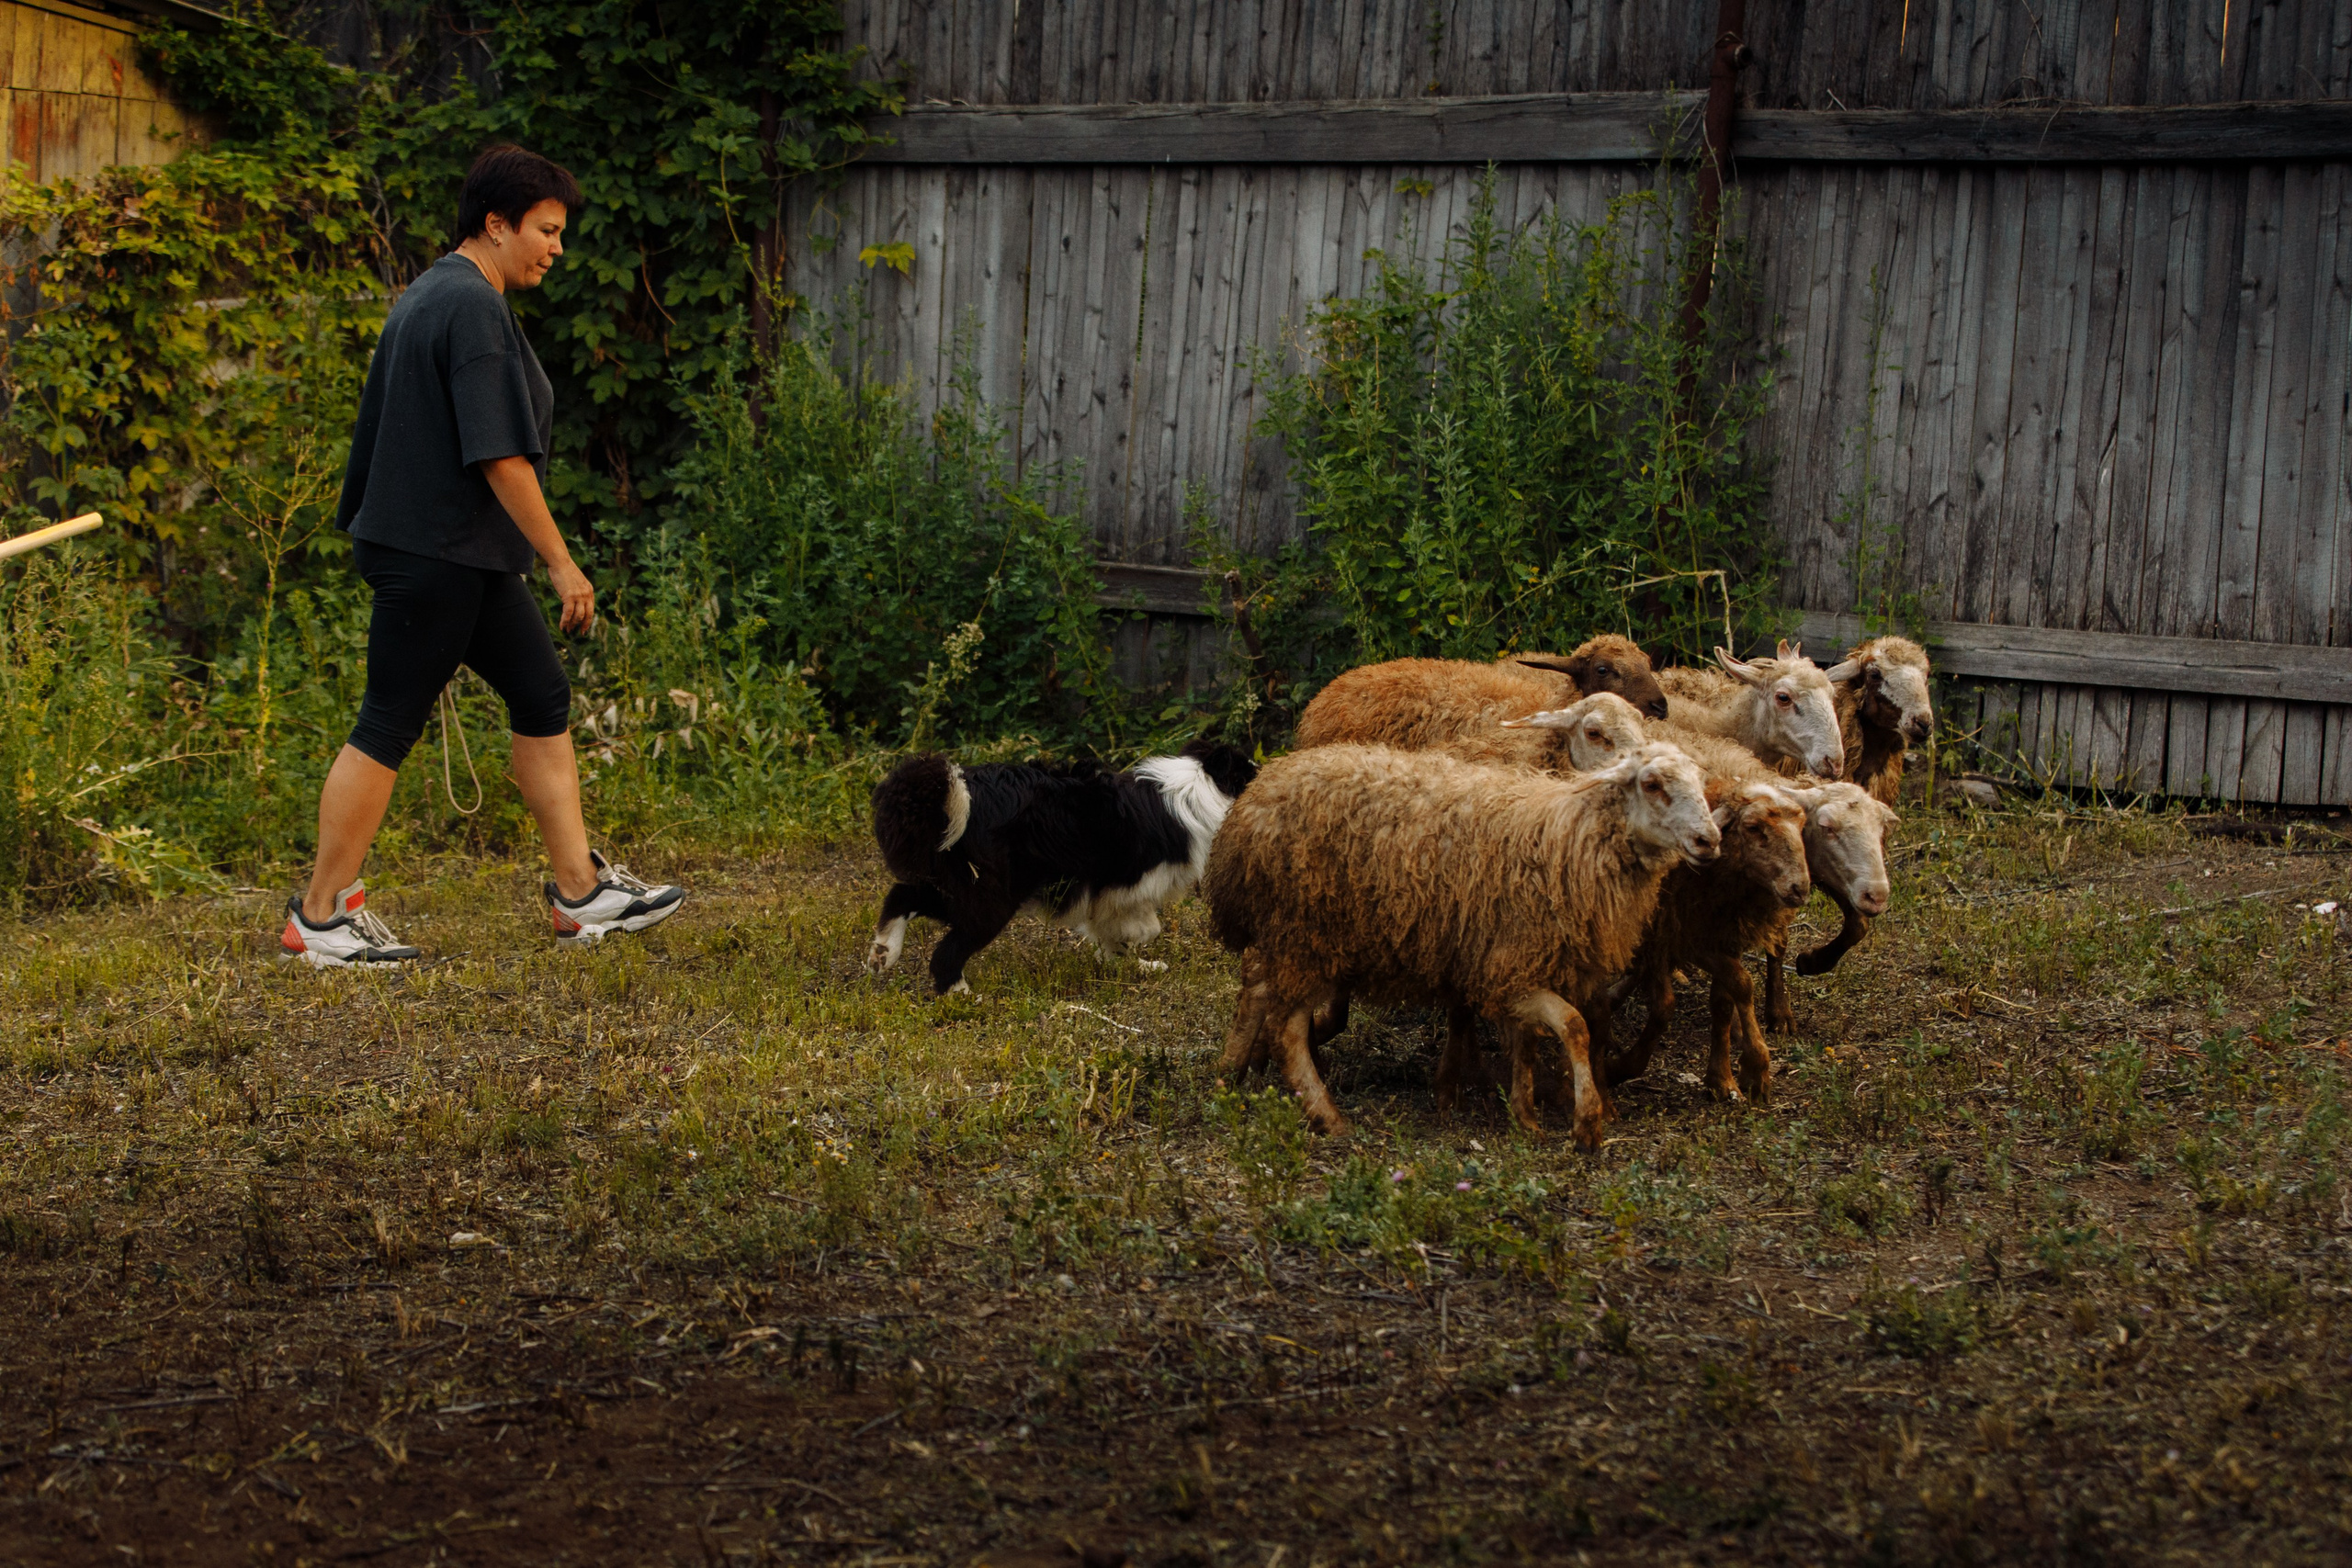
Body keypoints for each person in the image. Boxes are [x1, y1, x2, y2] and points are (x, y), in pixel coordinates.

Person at [281, 144, 684, 967]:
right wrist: (564, 564)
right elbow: (500, 457)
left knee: (541, 693)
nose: (556, 248)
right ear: (495, 224)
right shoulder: (469, 305)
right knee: (388, 720)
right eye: (545, 229)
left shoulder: (438, 291)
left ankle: (581, 893)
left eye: (560, 232)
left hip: (456, 552)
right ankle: (320, 915)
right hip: (434, 553)